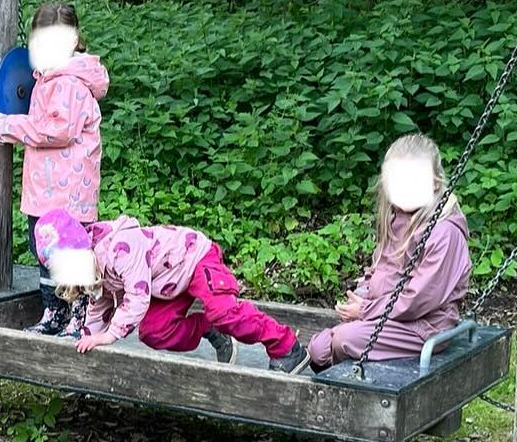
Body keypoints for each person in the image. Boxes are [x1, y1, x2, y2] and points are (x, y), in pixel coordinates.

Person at [32, 207, 308, 373]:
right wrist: (88, 339)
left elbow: (137, 295)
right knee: (154, 332)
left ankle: (286, 347)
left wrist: (111, 335)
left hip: (195, 258)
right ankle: (207, 328)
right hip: (167, 284)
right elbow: (99, 305)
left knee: (225, 311)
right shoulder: (93, 268)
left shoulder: (119, 248)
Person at [0, 1, 109, 336]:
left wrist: (8, 126)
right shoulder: (47, 78)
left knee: (71, 256)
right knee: (44, 252)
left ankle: (80, 317)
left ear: (72, 41)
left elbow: (56, 129)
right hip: (45, 189)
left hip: (68, 192)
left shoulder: (69, 83)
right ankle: (53, 314)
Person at [307, 133, 470, 371]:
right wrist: (362, 294)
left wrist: (366, 310)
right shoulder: (397, 216)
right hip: (388, 315)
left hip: (423, 326)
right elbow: (381, 269)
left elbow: (418, 300)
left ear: (434, 183)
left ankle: (355, 385)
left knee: (346, 340)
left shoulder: (444, 232)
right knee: (319, 348)